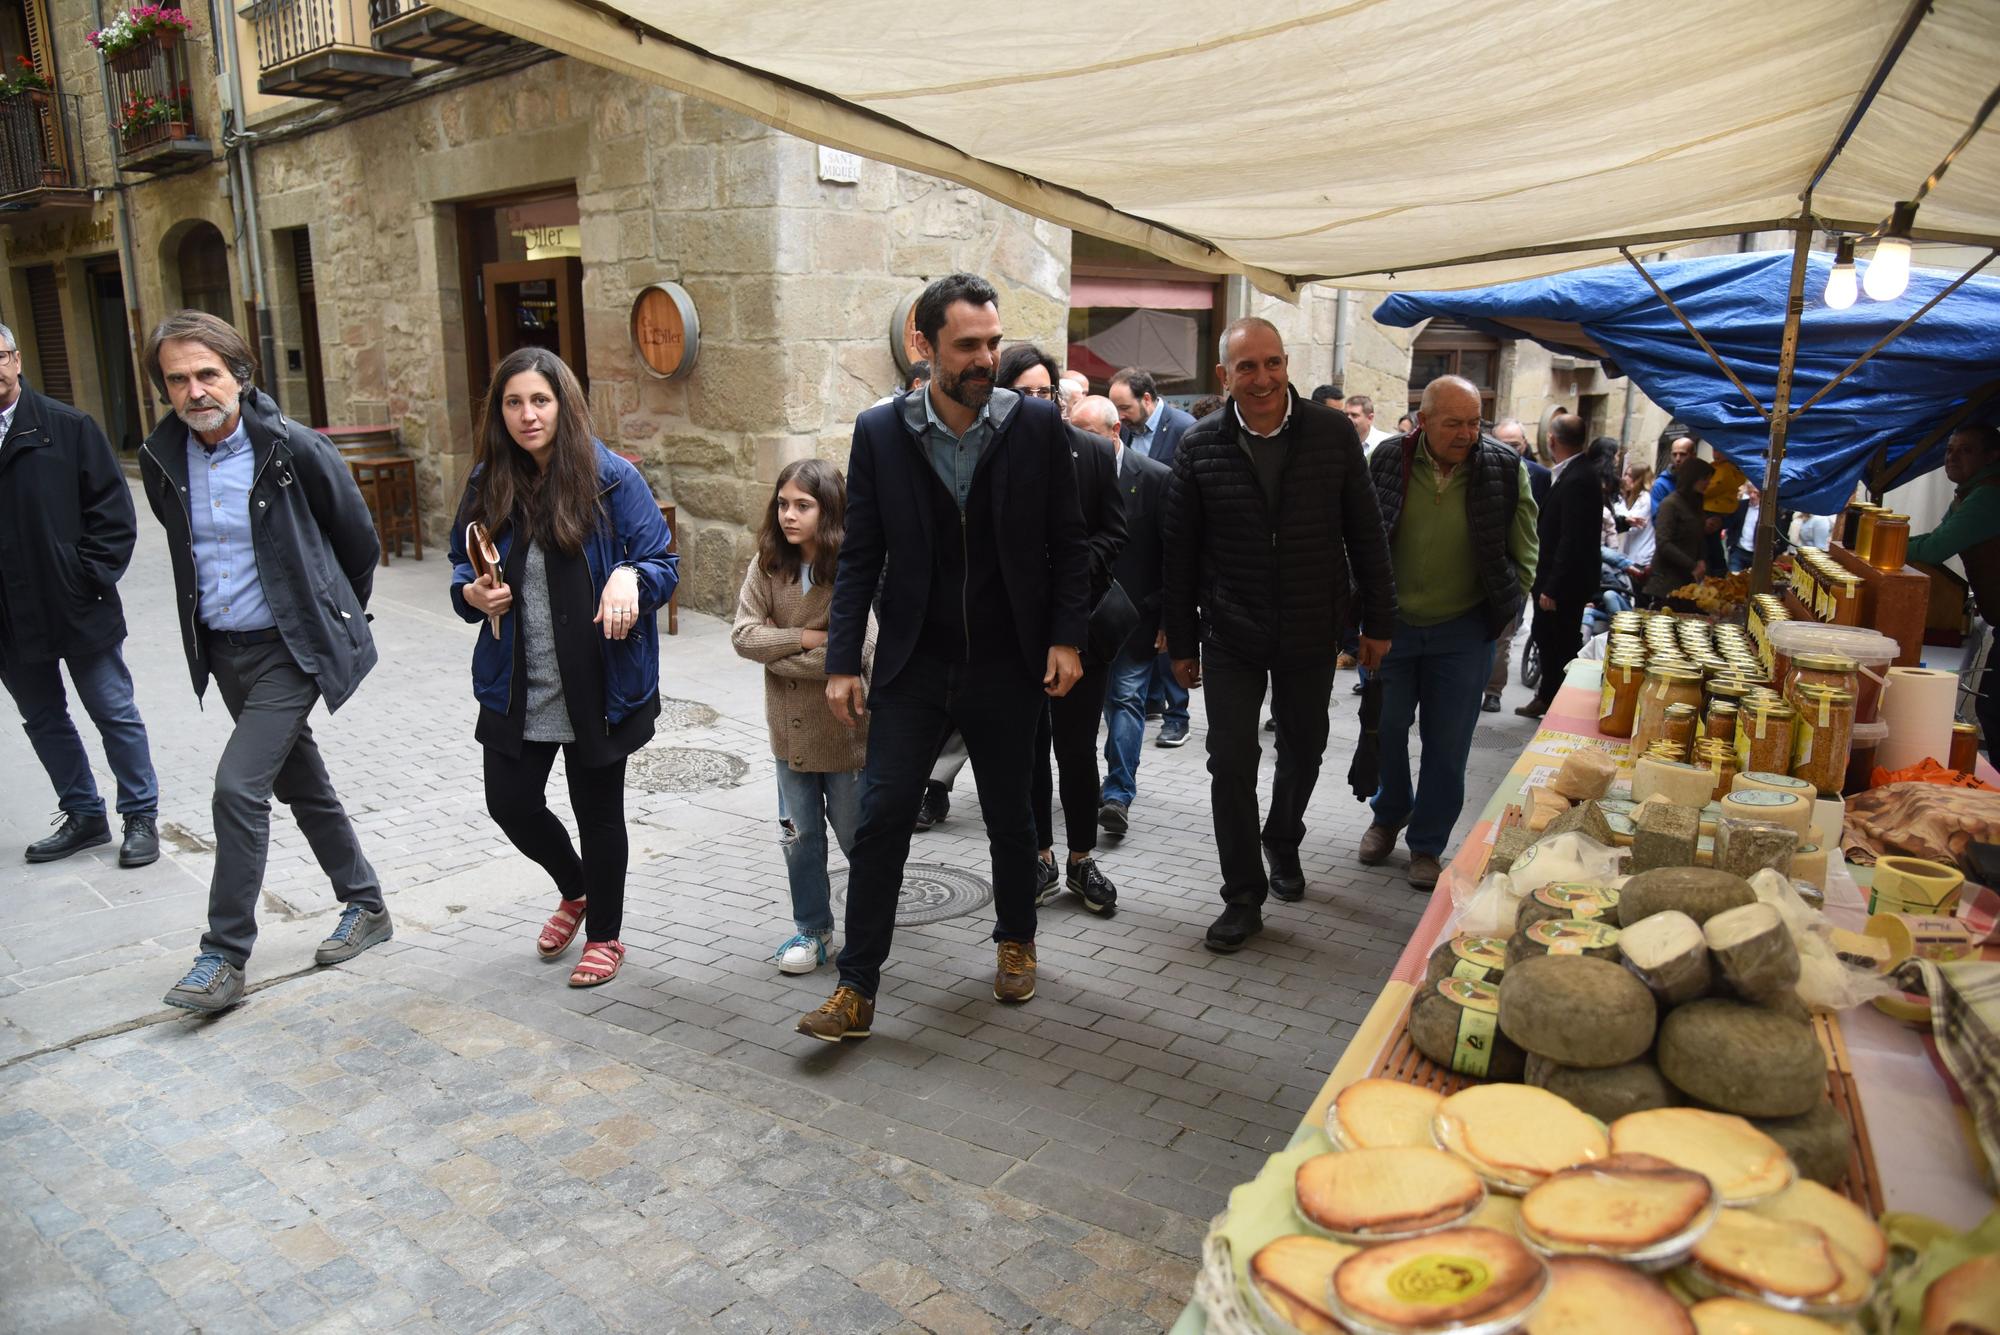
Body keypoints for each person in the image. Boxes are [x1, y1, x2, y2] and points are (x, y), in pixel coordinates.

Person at [797, 273, 1088, 1042]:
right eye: (968, 345)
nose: (985, 357)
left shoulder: (1033, 425)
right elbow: (859, 555)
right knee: (886, 812)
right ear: (924, 346)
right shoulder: (881, 432)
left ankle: (1015, 939)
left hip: (1007, 660)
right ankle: (856, 987)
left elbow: (1071, 543)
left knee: (1011, 815)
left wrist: (1065, 637)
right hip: (913, 665)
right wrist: (839, 662)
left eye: (993, 342)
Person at [137, 311, 387, 1013]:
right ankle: (366, 904)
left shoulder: (291, 448)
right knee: (299, 781)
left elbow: (356, 542)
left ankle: (223, 955)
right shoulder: (164, 458)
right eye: (178, 379)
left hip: (290, 649)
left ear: (240, 377)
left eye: (207, 374)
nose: (195, 391)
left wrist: (329, 617)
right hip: (225, 652)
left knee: (236, 787)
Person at [1162, 318, 1396, 952]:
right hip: (1231, 630)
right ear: (1224, 376)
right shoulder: (1200, 445)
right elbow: (1178, 553)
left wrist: (1378, 621)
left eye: (1272, 363)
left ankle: (1282, 838)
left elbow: (1366, 532)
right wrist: (1181, 643)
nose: (1262, 378)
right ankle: (1242, 895)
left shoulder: (1331, 435)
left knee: (1306, 744)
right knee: (1230, 760)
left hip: (1311, 626)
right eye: (1247, 367)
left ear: (1286, 364)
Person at [450, 348, 677, 990]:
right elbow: (461, 566)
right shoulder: (487, 480)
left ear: (565, 405)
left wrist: (632, 576)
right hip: (518, 683)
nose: (528, 415)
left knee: (598, 813)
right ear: (500, 411)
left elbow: (662, 559)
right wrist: (471, 594)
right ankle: (574, 890)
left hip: (598, 685)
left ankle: (605, 934)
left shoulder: (611, 479)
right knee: (510, 802)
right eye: (514, 402)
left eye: (540, 400)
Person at [913, 346, 1127, 909]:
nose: (1038, 403)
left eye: (1046, 393)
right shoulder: (987, 457)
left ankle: (1083, 859)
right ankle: (1040, 857)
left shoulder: (1091, 453)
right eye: (1026, 392)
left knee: (1077, 749)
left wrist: (1070, 575)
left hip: (1079, 626)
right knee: (1027, 752)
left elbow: (1110, 532)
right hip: (1014, 635)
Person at [1362, 375, 1538, 889]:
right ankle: (1389, 812)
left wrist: (1508, 607)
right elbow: (1364, 532)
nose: (1467, 434)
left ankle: (1428, 843)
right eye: (1454, 423)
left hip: (1464, 630)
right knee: (1386, 728)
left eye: (1474, 423)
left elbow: (1525, 546)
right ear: (1423, 422)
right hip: (1391, 625)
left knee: (1449, 743)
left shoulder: (1503, 468)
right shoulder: (1388, 460)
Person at [0, 321, 160, 868]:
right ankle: (84, 814)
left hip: (76, 604)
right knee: (43, 718)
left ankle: (140, 814)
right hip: (7, 616)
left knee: (111, 709)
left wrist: (83, 576)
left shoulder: (68, 427)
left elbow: (114, 516)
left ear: (17, 359)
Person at [733, 459, 873, 974]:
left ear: (829, 509)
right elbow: (744, 637)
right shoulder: (768, 566)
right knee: (799, 838)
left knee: (858, 834)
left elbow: (859, 651)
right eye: (783, 504)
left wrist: (781, 649)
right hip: (788, 733)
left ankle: (867, 921)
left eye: (803, 506)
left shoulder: (851, 568)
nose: (789, 515)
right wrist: (810, 638)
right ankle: (813, 929)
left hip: (844, 731)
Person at [1083, 393, 1172, 835]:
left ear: (1114, 431)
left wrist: (1168, 619)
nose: (1077, 444)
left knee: (1126, 700)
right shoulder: (1065, 476)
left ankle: (1118, 793)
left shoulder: (1155, 478)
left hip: (1135, 617)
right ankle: (1086, 788)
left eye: (1088, 434)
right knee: (1092, 707)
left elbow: (1175, 554)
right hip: (1079, 620)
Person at [1909, 423, 2000, 767]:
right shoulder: (1971, 491)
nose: (1953, 457)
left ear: (1993, 455)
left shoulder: (1989, 495)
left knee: (1994, 709)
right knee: (1991, 708)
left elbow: (1933, 549)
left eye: (1966, 450)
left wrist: (1878, 540)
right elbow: (1934, 538)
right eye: (1949, 450)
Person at [1518, 415, 1601, 719]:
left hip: (1563, 583)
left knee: (1558, 641)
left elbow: (1573, 538)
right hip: (1557, 576)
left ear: (1552, 440)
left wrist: (1553, 586)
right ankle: (1547, 694)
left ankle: (1559, 700)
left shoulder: (1579, 477)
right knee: (1547, 636)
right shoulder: (1574, 472)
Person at [1480, 416, 1549, 712]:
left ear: (1525, 445)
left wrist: (1525, 579)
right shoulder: (1481, 469)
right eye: (1504, 444)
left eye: (1516, 444)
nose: (1511, 450)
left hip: (1512, 571)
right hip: (1485, 569)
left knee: (1504, 639)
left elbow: (1539, 525)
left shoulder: (1540, 475)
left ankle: (1493, 691)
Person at [1643, 456, 1715, 608]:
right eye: (1705, 479)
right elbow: (1663, 543)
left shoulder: (1695, 503)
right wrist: (1692, 565)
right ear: (1693, 478)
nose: (1708, 483)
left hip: (1686, 581)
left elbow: (1699, 535)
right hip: (1666, 582)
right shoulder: (1670, 504)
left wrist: (1701, 559)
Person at [1109, 367, 1196, 471]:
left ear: (1146, 399)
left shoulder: (1184, 427)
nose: (1119, 416)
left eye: (1125, 408)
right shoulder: (1122, 428)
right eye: (1115, 409)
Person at [1617, 463, 1657, 573]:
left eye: (1629, 476)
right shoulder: (1630, 499)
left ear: (1639, 479)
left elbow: (1632, 527)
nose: (1624, 479)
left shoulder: (1645, 499)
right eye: (1625, 474)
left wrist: (1619, 512)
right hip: (1631, 554)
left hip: (1641, 557)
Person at [1650, 434, 1696, 513]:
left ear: (1693, 456)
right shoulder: (1660, 485)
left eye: (1683, 454)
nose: (1677, 459)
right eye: (1674, 454)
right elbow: (1658, 517)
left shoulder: (1701, 481)